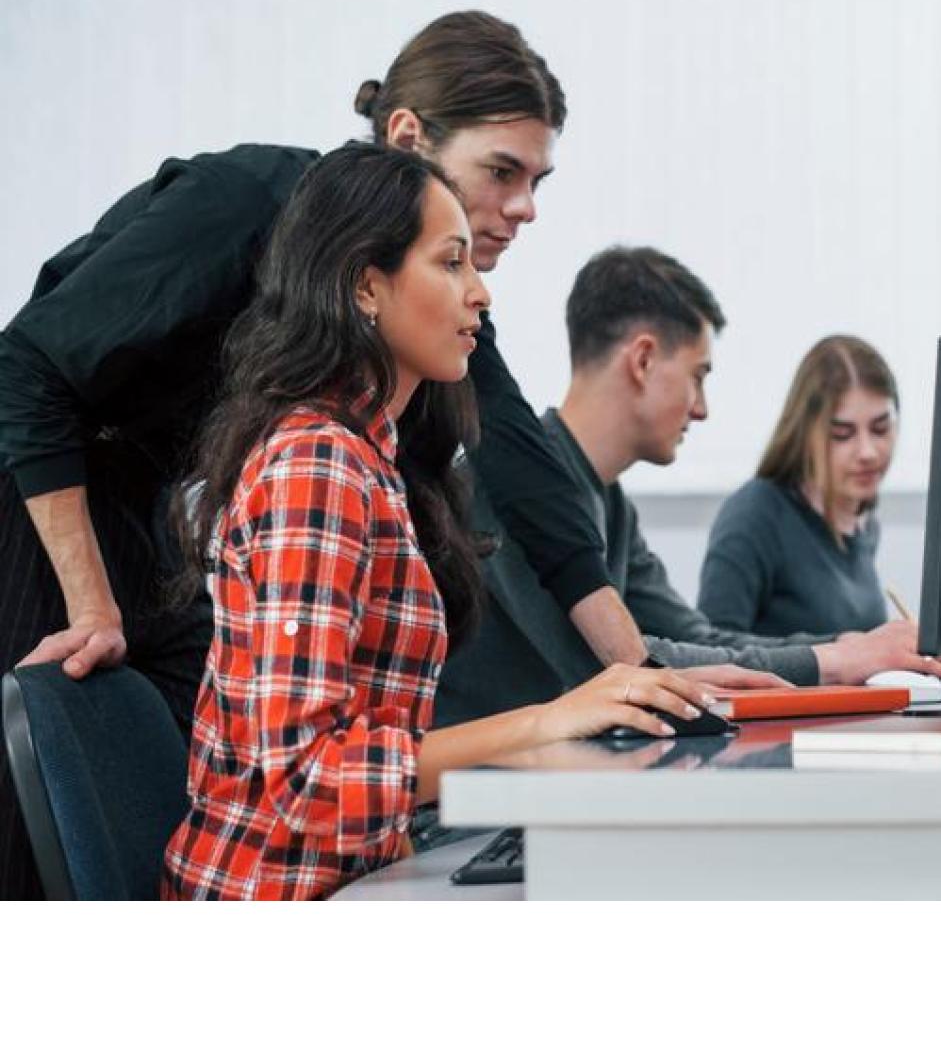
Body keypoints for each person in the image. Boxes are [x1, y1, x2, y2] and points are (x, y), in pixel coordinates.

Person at [0, 10, 756, 899]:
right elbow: (26, 372)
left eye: (536, 181)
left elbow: (523, 468)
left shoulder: (368, 437)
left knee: (176, 796)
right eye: (501, 173)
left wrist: (639, 678)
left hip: (152, 517)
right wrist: (92, 604)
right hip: (39, 485)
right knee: (46, 823)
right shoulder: (259, 266)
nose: (524, 209)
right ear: (406, 141)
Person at [161, 145, 712, 900]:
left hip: (357, 878)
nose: (479, 293)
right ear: (366, 285)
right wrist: (543, 725)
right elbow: (306, 779)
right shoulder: (318, 464)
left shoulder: (370, 458)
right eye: (452, 263)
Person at [436, 249, 941, 727]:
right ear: (643, 360)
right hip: (475, 796)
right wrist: (835, 660)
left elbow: (700, 639)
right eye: (698, 375)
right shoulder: (517, 489)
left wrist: (851, 647)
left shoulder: (611, 503)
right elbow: (613, 664)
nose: (702, 408)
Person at [699, 335, 906, 638]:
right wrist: (843, 652)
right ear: (805, 433)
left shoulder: (863, 522)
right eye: (842, 434)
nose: (868, 452)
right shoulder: (754, 515)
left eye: (880, 428)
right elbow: (710, 648)